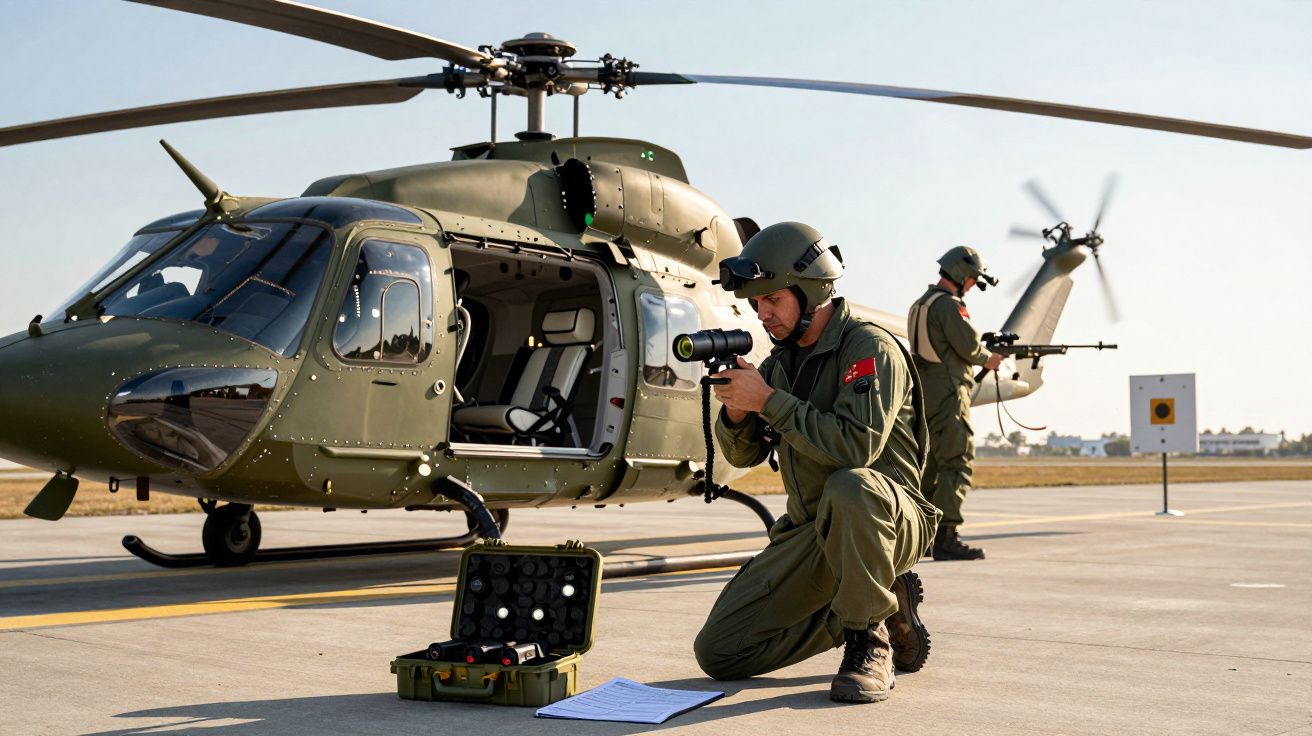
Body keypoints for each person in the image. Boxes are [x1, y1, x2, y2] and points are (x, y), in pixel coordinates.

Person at [693, 221, 939, 704]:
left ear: (810, 293)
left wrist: (769, 402)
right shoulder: (781, 363)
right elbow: (742, 455)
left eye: (773, 300)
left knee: (853, 486)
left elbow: (856, 448)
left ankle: (868, 640)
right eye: (756, 303)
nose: (762, 314)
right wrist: (739, 413)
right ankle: (881, 601)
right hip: (812, 531)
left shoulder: (870, 348)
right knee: (720, 653)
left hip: (887, 518)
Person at [906, 246, 1005, 561]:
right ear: (962, 276)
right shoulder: (949, 306)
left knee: (931, 464)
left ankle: (922, 536)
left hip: (926, 394)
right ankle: (947, 536)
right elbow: (968, 346)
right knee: (958, 460)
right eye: (973, 280)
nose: (974, 286)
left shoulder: (920, 304)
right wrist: (989, 357)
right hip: (949, 393)